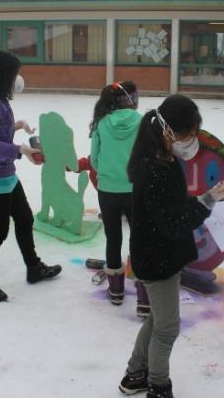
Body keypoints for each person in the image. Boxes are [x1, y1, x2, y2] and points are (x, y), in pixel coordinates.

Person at [119, 95, 224, 398]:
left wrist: (207, 196)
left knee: (159, 320)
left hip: (161, 256)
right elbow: (173, 223)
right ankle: (158, 386)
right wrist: (207, 202)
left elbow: (172, 209)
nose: (193, 142)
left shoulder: (163, 161)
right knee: (168, 328)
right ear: (169, 132)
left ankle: (135, 374)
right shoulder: (155, 170)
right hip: (158, 261)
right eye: (189, 135)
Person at [0, 50, 61, 302]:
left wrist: (15, 126)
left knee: (24, 218)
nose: (17, 79)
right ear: (4, 76)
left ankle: (33, 267)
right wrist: (20, 150)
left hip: (5, 173)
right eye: (15, 74)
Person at [89, 82, 144, 312]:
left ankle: (116, 291)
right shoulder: (143, 121)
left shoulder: (102, 123)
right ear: (132, 100)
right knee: (140, 239)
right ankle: (144, 299)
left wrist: (108, 172)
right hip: (134, 189)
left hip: (108, 189)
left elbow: (94, 160)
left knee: (113, 238)